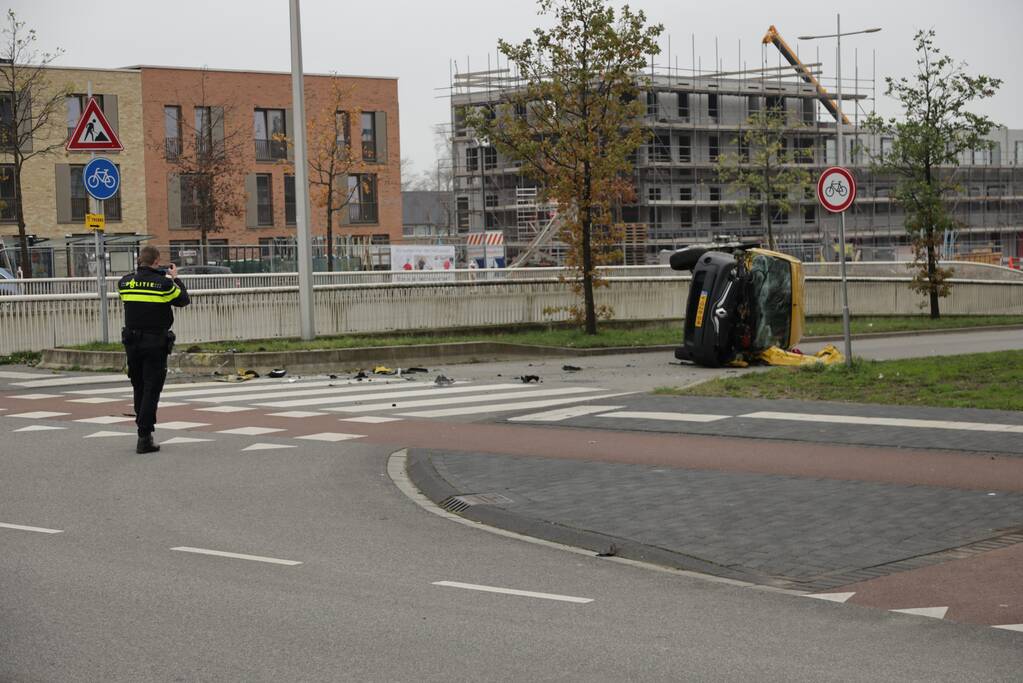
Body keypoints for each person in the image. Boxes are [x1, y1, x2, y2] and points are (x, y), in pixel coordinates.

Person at [117, 246, 190, 453]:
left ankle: (142, 427)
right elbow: (183, 300)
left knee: (138, 385)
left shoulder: (125, 282)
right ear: (157, 261)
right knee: (151, 387)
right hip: (155, 343)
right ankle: (144, 435)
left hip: (131, 342)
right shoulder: (164, 284)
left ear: (140, 260)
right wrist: (175, 277)